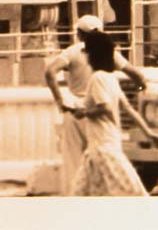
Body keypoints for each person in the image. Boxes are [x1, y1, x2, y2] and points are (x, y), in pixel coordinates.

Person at [44, 14, 148, 196]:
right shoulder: (109, 53)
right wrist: (140, 89)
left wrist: (60, 100)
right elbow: (137, 75)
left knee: (75, 162)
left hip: (78, 109)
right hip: (101, 116)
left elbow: (50, 71)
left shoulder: (74, 51)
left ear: (79, 33)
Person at [65, 29, 158, 196]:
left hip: (102, 147)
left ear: (93, 54)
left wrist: (84, 113)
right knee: (87, 194)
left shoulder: (97, 78)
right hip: (104, 145)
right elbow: (129, 109)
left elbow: (105, 108)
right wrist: (149, 133)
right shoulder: (111, 79)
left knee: (131, 191)